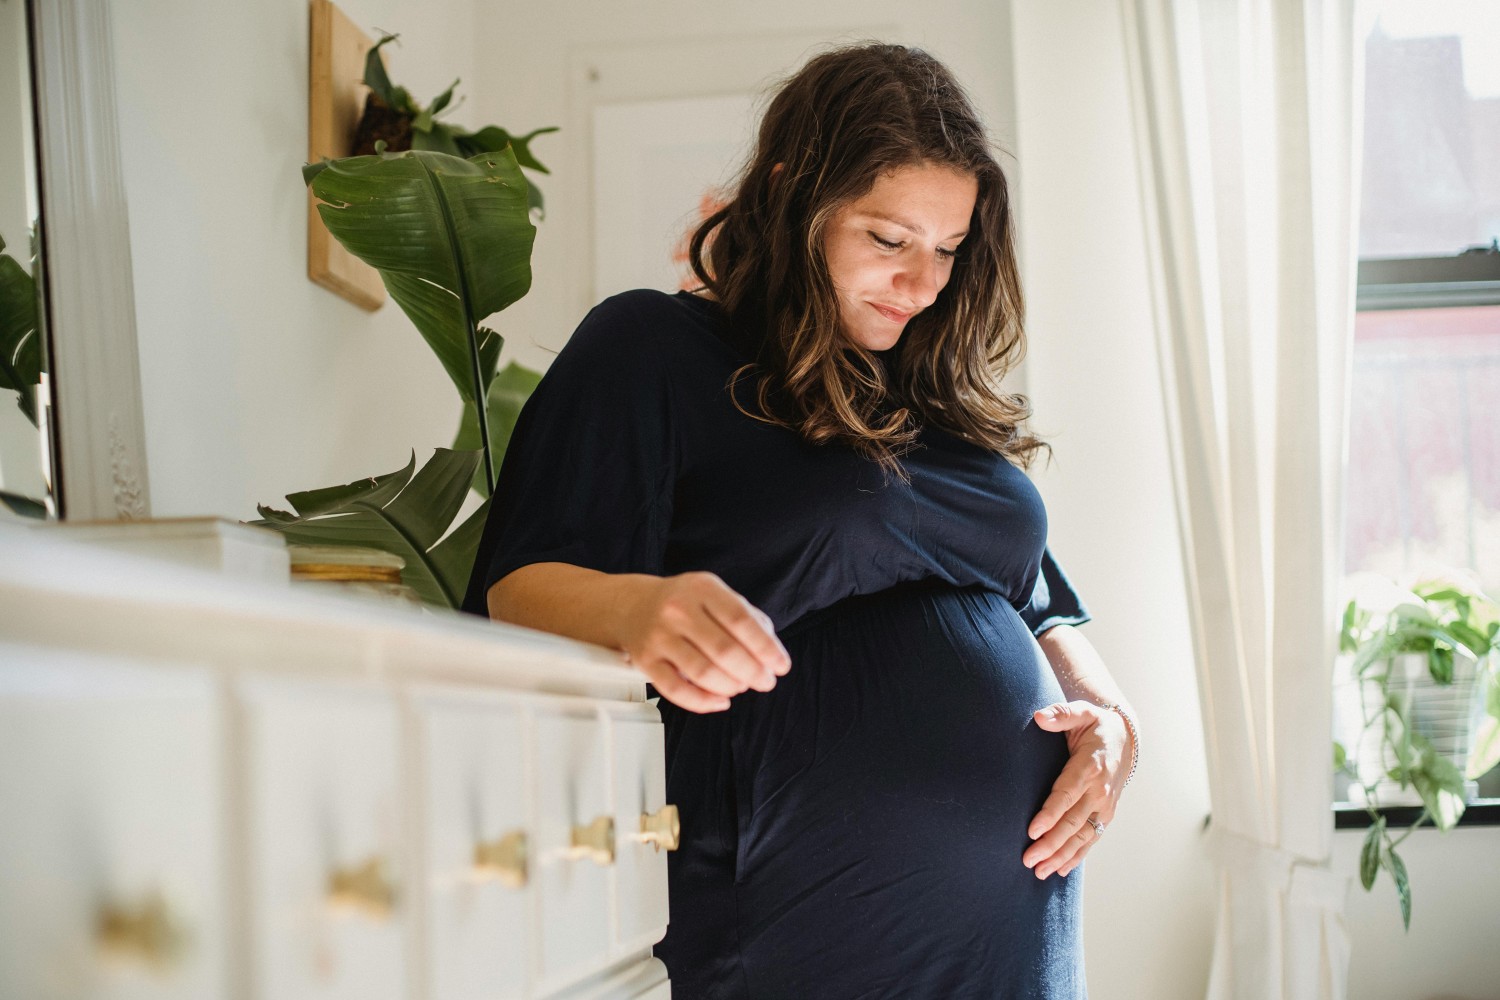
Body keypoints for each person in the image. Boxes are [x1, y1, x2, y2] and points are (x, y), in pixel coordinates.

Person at [462, 41, 1138, 1000]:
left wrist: (1115, 723)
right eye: (888, 239)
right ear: (791, 198)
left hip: (1012, 936)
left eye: (949, 249)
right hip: (797, 925)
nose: (922, 284)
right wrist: (637, 611)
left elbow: (1038, 597)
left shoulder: (929, 395)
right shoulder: (655, 352)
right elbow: (517, 587)